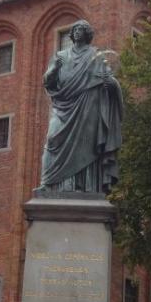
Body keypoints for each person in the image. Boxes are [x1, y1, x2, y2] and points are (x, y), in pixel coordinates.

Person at [38, 18, 123, 193]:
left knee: (86, 146)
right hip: (64, 107)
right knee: (52, 139)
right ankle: (49, 182)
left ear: (87, 34)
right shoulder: (61, 56)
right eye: (75, 29)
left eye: (81, 29)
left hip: (88, 106)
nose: (77, 32)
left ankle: (84, 186)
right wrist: (54, 70)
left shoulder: (95, 55)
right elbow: (48, 81)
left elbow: (108, 78)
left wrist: (111, 84)